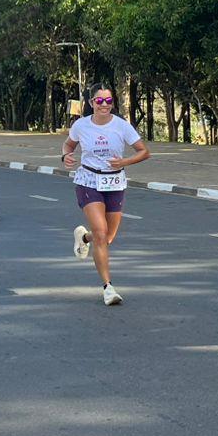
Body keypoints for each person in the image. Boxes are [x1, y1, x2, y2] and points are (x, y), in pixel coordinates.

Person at [62, 84, 150, 305]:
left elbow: (144, 151)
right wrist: (66, 157)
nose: (104, 105)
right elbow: (68, 145)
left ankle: (84, 238)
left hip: (115, 181)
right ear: (91, 103)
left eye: (108, 101)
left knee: (107, 237)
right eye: (99, 101)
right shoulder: (81, 125)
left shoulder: (121, 126)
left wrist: (125, 161)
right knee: (101, 232)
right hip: (89, 180)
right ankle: (108, 288)